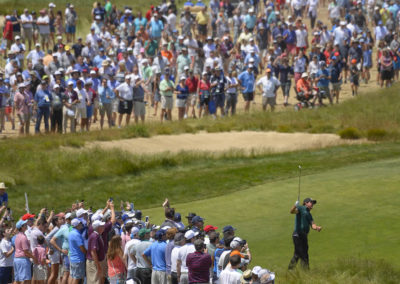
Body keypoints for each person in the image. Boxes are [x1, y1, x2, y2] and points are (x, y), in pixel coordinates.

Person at [288, 197, 322, 270]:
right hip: (297, 234)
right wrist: (295, 205)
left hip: (304, 235)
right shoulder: (301, 208)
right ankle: (303, 270)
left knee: (302, 254)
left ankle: (293, 270)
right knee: (301, 253)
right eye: (311, 202)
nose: (312, 204)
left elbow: (312, 224)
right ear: (306, 203)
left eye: (313, 203)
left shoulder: (309, 214)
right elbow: (292, 211)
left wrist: (317, 228)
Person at [14, 219, 36, 284]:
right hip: (23, 260)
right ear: (21, 227)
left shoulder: (17, 236)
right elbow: (26, 251)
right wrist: (34, 257)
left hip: (16, 259)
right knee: (26, 280)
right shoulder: (23, 237)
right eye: (25, 225)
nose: (26, 225)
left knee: (18, 280)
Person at [87, 220, 107, 284]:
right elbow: (93, 252)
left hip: (96, 261)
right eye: (102, 226)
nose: (104, 227)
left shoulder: (97, 235)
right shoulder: (95, 236)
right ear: (98, 228)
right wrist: (98, 266)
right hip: (93, 263)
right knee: (95, 281)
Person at [69, 218, 87, 284]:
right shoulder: (76, 234)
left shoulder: (71, 232)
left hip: (73, 258)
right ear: (77, 225)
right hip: (78, 259)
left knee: (73, 277)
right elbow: (81, 247)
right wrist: (87, 253)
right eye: (80, 223)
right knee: (77, 278)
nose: (81, 225)